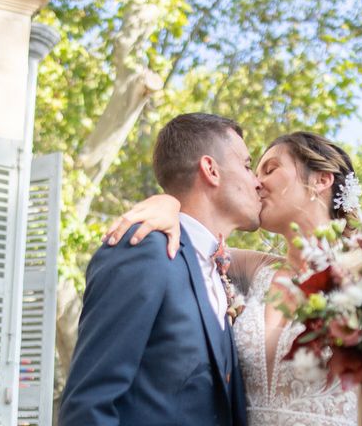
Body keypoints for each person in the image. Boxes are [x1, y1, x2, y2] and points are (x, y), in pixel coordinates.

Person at [105, 130, 362, 425]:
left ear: (321, 180)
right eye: (254, 170)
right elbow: (193, 234)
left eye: (270, 168)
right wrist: (165, 202)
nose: (256, 182)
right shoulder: (254, 270)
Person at [59, 113, 259, 425]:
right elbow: (88, 404)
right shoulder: (144, 249)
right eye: (247, 166)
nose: (256, 181)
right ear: (211, 170)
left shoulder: (218, 269)